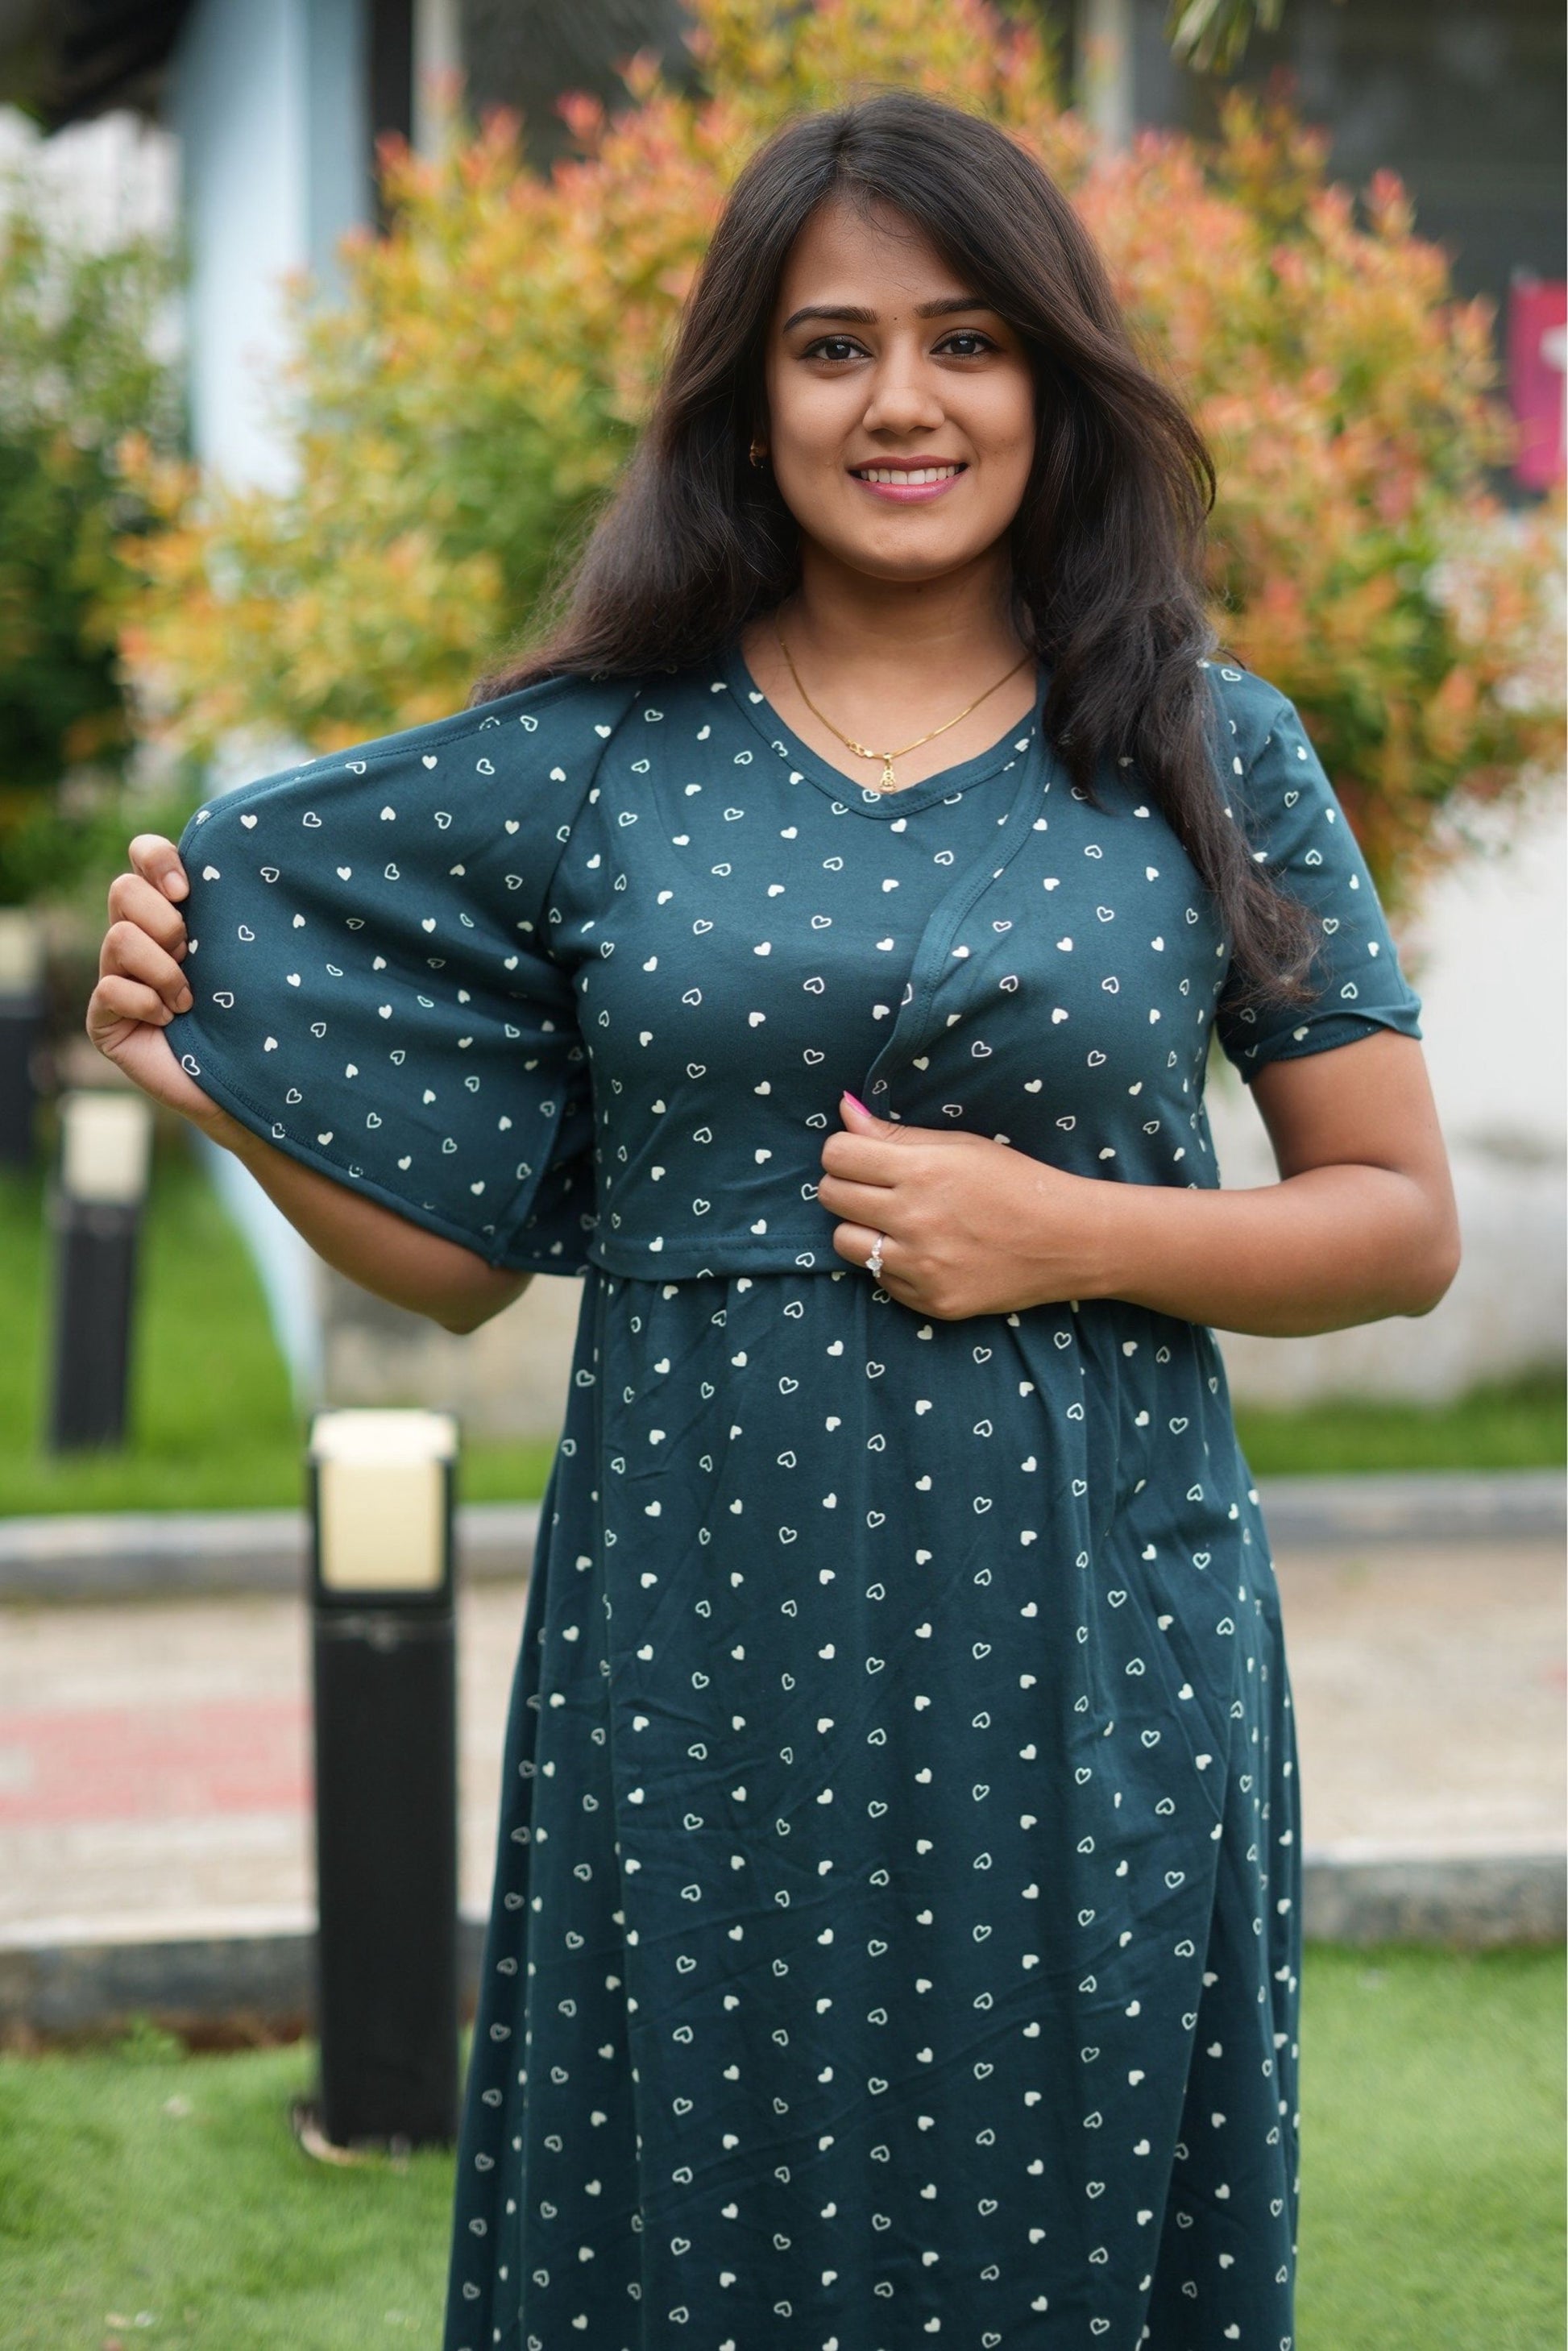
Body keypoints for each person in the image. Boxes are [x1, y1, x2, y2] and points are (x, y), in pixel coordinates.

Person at [89, 90, 1457, 2351]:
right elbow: (467, 1269)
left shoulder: (1204, 747)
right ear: (748, 402)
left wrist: (1068, 1231)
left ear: (1053, 384)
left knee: (1053, 2189)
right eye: (834, 349)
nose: (901, 401)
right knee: (698, 2210)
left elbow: (1396, 1223)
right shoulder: (595, 760)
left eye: (966, 341)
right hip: (700, 1625)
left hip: (1085, 1628)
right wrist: (207, 1091)